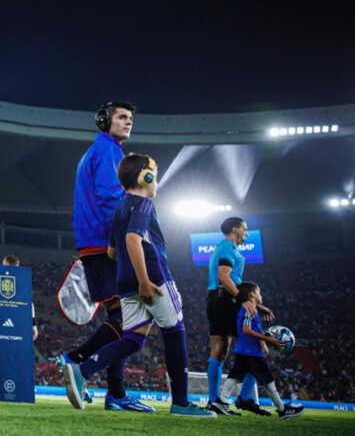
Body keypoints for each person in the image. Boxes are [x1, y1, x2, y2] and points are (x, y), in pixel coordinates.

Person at [63, 154, 214, 417]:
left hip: (124, 282)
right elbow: (133, 239)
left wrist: (132, 273)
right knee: (175, 332)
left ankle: (82, 370)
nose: (157, 180)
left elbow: (112, 252)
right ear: (145, 176)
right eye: (155, 174)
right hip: (154, 278)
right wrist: (144, 280)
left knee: (133, 339)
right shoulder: (144, 204)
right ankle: (180, 403)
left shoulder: (120, 208)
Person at [57, 102, 151, 411]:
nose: (128, 122)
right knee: (129, 318)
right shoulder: (109, 151)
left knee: (120, 318)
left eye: (130, 118)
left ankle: (116, 394)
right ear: (103, 122)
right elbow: (111, 196)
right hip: (105, 241)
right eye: (122, 117)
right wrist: (132, 232)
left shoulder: (93, 152)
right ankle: (76, 360)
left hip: (91, 241)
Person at [205, 217, 267, 416]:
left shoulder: (221, 247)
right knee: (257, 346)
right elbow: (224, 276)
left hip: (215, 298)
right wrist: (243, 300)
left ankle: (214, 401)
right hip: (226, 299)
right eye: (245, 229)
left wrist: (257, 305)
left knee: (219, 349)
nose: (246, 233)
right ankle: (245, 398)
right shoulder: (229, 248)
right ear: (235, 229)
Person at [219, 282, 305, 419]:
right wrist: (267, 339)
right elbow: (246, 330)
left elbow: (250, 329)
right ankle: (283, 409)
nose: (261, 296)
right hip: (252, 352)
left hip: (244, 350)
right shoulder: (249, 309)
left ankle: (222, 401)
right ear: (252, 295)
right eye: (259, 293)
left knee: (234, 377)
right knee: (268, 381)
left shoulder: (251, 309)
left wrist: (263, 340)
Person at [2, 255, 38, 342]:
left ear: (6, 264)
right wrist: (33, 325)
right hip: (15, 321)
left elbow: (29, 304)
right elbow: (30, 304)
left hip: (6, 320)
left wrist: (33, 325)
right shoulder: (23, 281)